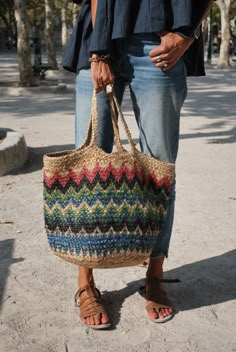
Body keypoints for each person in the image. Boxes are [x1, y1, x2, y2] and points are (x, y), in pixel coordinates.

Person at [63, 0, 214, 329]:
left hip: (160, 43)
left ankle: (154, 276)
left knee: (160, 171)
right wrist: (99, 52)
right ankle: (85, 283)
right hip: (99, 38)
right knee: (88, 169)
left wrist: (187, 34)